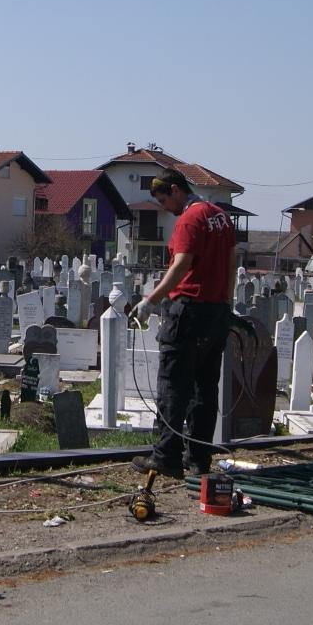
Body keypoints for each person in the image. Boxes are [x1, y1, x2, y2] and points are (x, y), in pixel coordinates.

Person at [125, 168, 238, 477]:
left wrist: (151, 300)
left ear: (176, 190)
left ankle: (167, 457)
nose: (164, 207)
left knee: (173, 386)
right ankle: (199, 458)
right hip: (216, 312)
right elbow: (232, 261)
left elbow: (181, 265)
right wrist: (226, 303)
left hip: (187, 311)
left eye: (164, 199)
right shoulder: (221, 217)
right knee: (205, 389)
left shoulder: (190, 219)